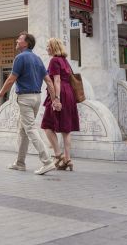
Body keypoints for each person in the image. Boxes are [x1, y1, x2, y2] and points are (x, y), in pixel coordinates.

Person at [0, 31, 60, 175]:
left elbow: (11, 79)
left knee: (29, 129)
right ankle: (20, 163)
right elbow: (48, 81)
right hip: (36, 98)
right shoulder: (37, 59)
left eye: (20, 39)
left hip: (25, 98)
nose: (17, 40)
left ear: (26, 43)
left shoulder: (20, 58)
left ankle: (47, 161)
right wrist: (55, 99)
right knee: (23, 130)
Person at [41, 38, 80, 171]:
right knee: (66, 129)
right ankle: (68, 159)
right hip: (69, 94)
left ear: (52, 47)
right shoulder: (65, 61)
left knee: (46, 125)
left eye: (48, 46)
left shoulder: (54, 61)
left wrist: (56, 99)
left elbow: (56, 81)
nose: (46, 48)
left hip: (60, 93)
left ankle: (58, 155)